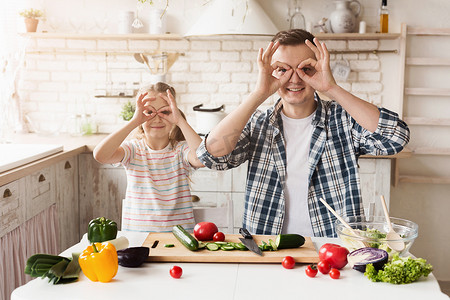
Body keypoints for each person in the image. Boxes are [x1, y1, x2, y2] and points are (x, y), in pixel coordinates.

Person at [196, 29, 410, 237]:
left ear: (320, 69)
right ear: (270, 73)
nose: (295, 79)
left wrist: (331, 88)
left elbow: (395, 138)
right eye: (283, 69)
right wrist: (259, 94)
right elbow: (211, 156)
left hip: (333, 248)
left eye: (306, 69)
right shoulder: (258, 124)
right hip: (268, 248)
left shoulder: (343, 120)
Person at [93, 82, 204, 233]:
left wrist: (180, 121)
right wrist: (134, 122)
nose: (157, 119)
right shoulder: (133, 150)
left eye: (165, 112)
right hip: (137, 237)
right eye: (149, 113)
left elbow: (203, 158)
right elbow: (100, 155)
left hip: (180, 238)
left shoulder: (181, 150)